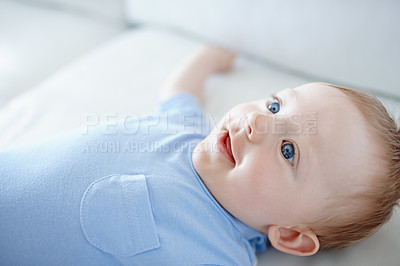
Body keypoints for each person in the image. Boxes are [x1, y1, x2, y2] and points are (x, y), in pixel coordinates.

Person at [0, 46, 399, 265]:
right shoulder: (189, 130)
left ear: (291, 235)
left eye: (288, 150)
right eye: (275, 106)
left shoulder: (213, 250)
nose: (256, 124)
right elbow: (179, 94)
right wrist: (209, 57)